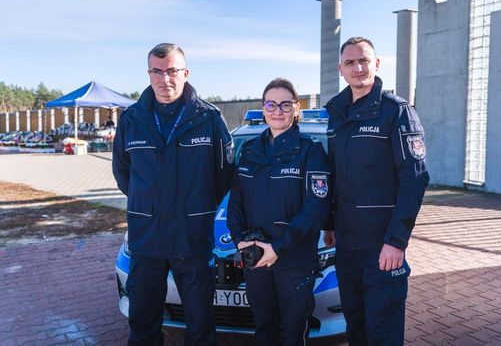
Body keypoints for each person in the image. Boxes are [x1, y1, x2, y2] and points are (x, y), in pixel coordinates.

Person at [112, 43, 234, 346]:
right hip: (147, 237)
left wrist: (196, 206)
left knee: (200, 321)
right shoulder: (131, 119)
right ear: (148, 73)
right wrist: (148, 202)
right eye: (157, 71)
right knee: (142, 321)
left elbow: (224, 175)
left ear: (185, 73)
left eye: (172, 71)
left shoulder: (209, 118)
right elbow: (123, 173)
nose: (164, 79)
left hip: (191, 238)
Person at [323, 37, 429, 345]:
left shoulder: (396, 111)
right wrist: (330, 223)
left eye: (364, 60)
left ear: (377, 64)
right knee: (356, 328)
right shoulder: (337, 114)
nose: (357, 68)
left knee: (383, 332)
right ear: (341, 69)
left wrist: (396, 242)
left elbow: (415, 179)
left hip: (382, 248)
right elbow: (335, 176)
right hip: (346, 247)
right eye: (350, 62)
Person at [227, 78, 331, 346]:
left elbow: (316, 209)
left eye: (285, 104)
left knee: (293, 333)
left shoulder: (311, 151)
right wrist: (240, 241)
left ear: (296, 109)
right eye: (271, 104)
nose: (277, 111)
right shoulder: (249, 150)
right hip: (256, 259)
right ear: (263, 108)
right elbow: (236, 202)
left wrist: (278, 247)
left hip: (294, 260)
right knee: (265, 329)